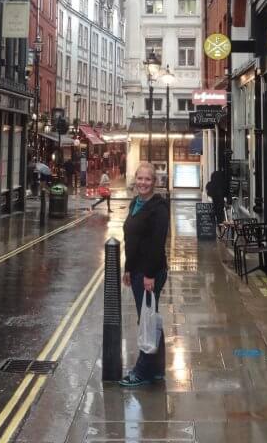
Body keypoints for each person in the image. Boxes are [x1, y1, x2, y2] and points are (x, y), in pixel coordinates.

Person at [119, 161, 169, 387]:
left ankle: (142, 372)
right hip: (137, 270)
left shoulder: (158, 208)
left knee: (146, 320)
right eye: (140, 178)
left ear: (154, 182)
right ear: (135, 180)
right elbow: (132, 241)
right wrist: (128, 269)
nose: (143, 183)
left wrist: (149, 274)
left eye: (148, 179)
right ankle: (157, 368)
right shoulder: (135, 204)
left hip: (151, 272)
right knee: (151, 317)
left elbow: (157, 244)